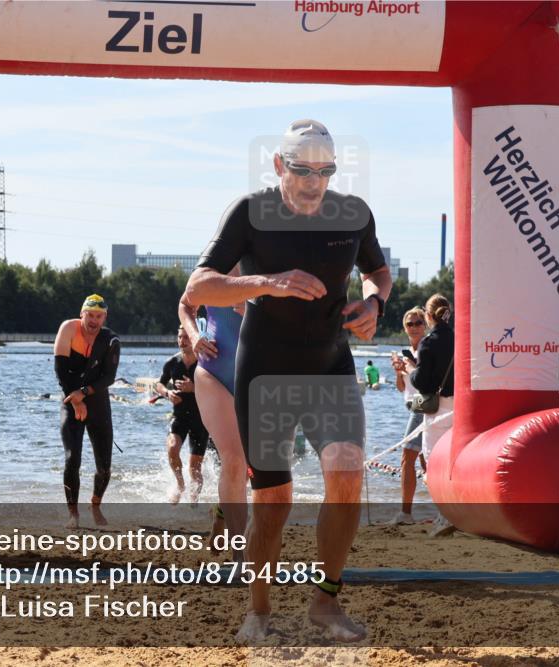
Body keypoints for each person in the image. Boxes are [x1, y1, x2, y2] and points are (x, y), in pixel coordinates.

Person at [184, 119, 392, 643]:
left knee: (346, 473)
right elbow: (199, 285)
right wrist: (267, 283)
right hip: (266, 371)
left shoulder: (353, 214)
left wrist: (374, 302)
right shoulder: (250, 213)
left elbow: (378, 270)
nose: (313, 182)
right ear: (279, 166)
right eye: (302, 170)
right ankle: (257, 613)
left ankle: (326, 600)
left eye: (325, 172)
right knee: (274, 501)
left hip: (330, 366)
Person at [178, 282, 248, 558]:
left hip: (258, 375)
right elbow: (185, 304)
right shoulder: (216, 261)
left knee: (255, 468)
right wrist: (195, 336)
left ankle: (222, 512)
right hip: (214, 371)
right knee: (234, 461)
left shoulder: (274, 260)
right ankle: (241, 554)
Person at [53, 294, 122, 528]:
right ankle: (73, 513)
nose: (93, 321)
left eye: (98, 316)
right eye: (89, 315)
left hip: (98, 403)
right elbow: (60, 371)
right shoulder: (68, 329)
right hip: (71, 399)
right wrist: (75, 399)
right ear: (81, 314)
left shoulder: (111, 340)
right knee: (72, 458)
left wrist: (84, 393)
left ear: (104, 318)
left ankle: (95, 504)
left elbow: (109, 377)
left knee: (104, 466)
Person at [406, 295, 455, 538]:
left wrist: (410, 370)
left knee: (433, 463)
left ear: (428, 315)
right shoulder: (459, 338)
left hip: (438, 409)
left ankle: (444, 515)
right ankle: (454, 511)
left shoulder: (428, 343)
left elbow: (422, 381)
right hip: (461, 407)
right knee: (453, 462)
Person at [156, 327, 210, 505]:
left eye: (186, 337)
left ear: (194, 338)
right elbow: (159, 384)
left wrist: (194, 388)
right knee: (172, 448)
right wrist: (167, 394)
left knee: (195, 467)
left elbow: (217, 389)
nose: (182, 341)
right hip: (179, 416)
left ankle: (194, 503)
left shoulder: (205, 363)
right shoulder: (172, 362)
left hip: (201, 419)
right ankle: (180, 485)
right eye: (180, 337)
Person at [390, 306, 427, 525]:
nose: (414, 327)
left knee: (407, 457)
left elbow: (425, 380)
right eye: (409, 324)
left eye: (418, 323)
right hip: (412, 404)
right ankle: (446, 510)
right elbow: (402, 388)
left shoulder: (426, 348)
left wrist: (411, 367)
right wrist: (398, 372)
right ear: (404, 328)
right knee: (426, 463)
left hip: (423, 404)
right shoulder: (408, 351)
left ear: (425, 325)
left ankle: (405, 513)